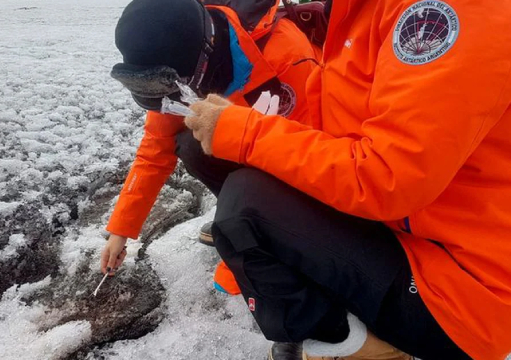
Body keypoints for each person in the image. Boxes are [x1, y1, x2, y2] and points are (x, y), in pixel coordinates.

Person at [183, 0, 511, 359]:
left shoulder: (450, 11)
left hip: (466, 294)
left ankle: (359, 346)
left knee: (247, 205)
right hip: (407, 230)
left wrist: (249, 134)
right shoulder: (357, 10)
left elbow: (387, 177)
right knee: (248, 182)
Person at [101, 0, 320, 279]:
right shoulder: (172, 74)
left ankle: (265, 230)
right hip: (249, 149)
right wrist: (120, 230)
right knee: (190, 144)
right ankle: (243, 216)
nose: (169, 101)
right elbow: (155, 149)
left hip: (299, 147)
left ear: (205, 58)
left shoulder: (285, 56)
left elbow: (311, 156)